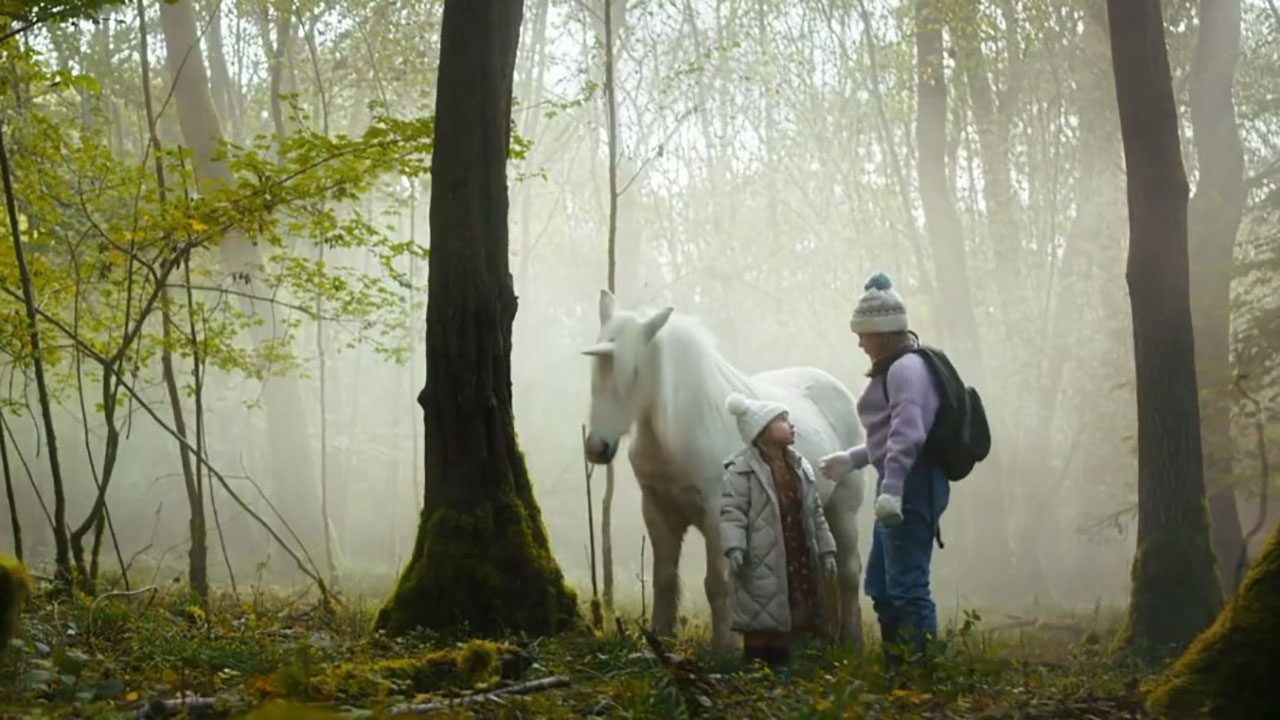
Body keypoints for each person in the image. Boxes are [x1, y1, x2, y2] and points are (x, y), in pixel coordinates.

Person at [819, 271, 950, 673]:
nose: (859, 342)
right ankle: (898, 661)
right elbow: (889, 436)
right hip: (898, 484)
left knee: (907, 586)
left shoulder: (905, 370)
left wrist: (891, 489)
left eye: (863, 334)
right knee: (880, 583)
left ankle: (918, 671)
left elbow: (908, 436)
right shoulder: (896, 367)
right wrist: (854, 459)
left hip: (911, 485)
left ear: (882, 331)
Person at [720, 392, 838, 678]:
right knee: (760, 619)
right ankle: (755, 669)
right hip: (759, 558)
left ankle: (781, 670)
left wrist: (827, 549)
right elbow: (731, 512)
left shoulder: (800, 467)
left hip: (795, 553)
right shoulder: (741, 471)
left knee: (786, 615)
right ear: (762, 430)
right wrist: (735, 546)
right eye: (782, 420)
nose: (791, 424)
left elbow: (816, 514)